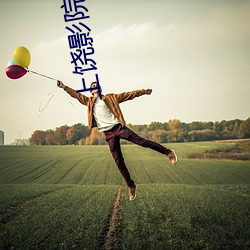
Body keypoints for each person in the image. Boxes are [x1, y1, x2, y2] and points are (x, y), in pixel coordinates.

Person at [57, 80, 177, 201]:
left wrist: (143, 92)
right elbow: (76, 94)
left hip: (119, 128)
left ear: (100, 88)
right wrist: (63, 87)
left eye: (97, 85)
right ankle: (131, 186)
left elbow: (128, 94)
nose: (95, 87)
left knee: (142, 142)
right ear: (90, 91)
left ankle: (168, 152)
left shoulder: (111, 97)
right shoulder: (88, 102)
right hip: (108, 134)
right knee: (118, 161)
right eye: (93, 86)